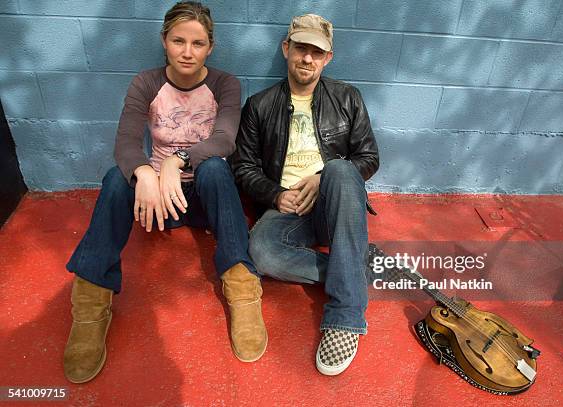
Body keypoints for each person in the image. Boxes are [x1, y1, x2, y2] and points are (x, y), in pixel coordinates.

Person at [63, 1, 267, 384]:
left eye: (198, 43)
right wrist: (145, 173)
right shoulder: (146, 82)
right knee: (114, 179)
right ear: (164, 41)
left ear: (211, 47)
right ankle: (91, 302)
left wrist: (178, 161)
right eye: (178, 41)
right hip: (157, 204)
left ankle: (242, 287)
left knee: (216, 169)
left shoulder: (225, 84)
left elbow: (224, 139)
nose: (187, 51)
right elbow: (125, 141)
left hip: (206, 200)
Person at [231, 13, 379, 376]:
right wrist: (275, 195)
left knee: (342, 168)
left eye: (317, 52)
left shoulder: (347, 97)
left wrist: (321, 175)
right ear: (287, 49)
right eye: (301, 48)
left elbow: (369, 158)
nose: (307, 59)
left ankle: (345, 316)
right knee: (262, 252)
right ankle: (353, 267)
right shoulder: (259, 106)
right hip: (288, 208)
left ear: (328, 57)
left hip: (335, 201)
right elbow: (243, 167)